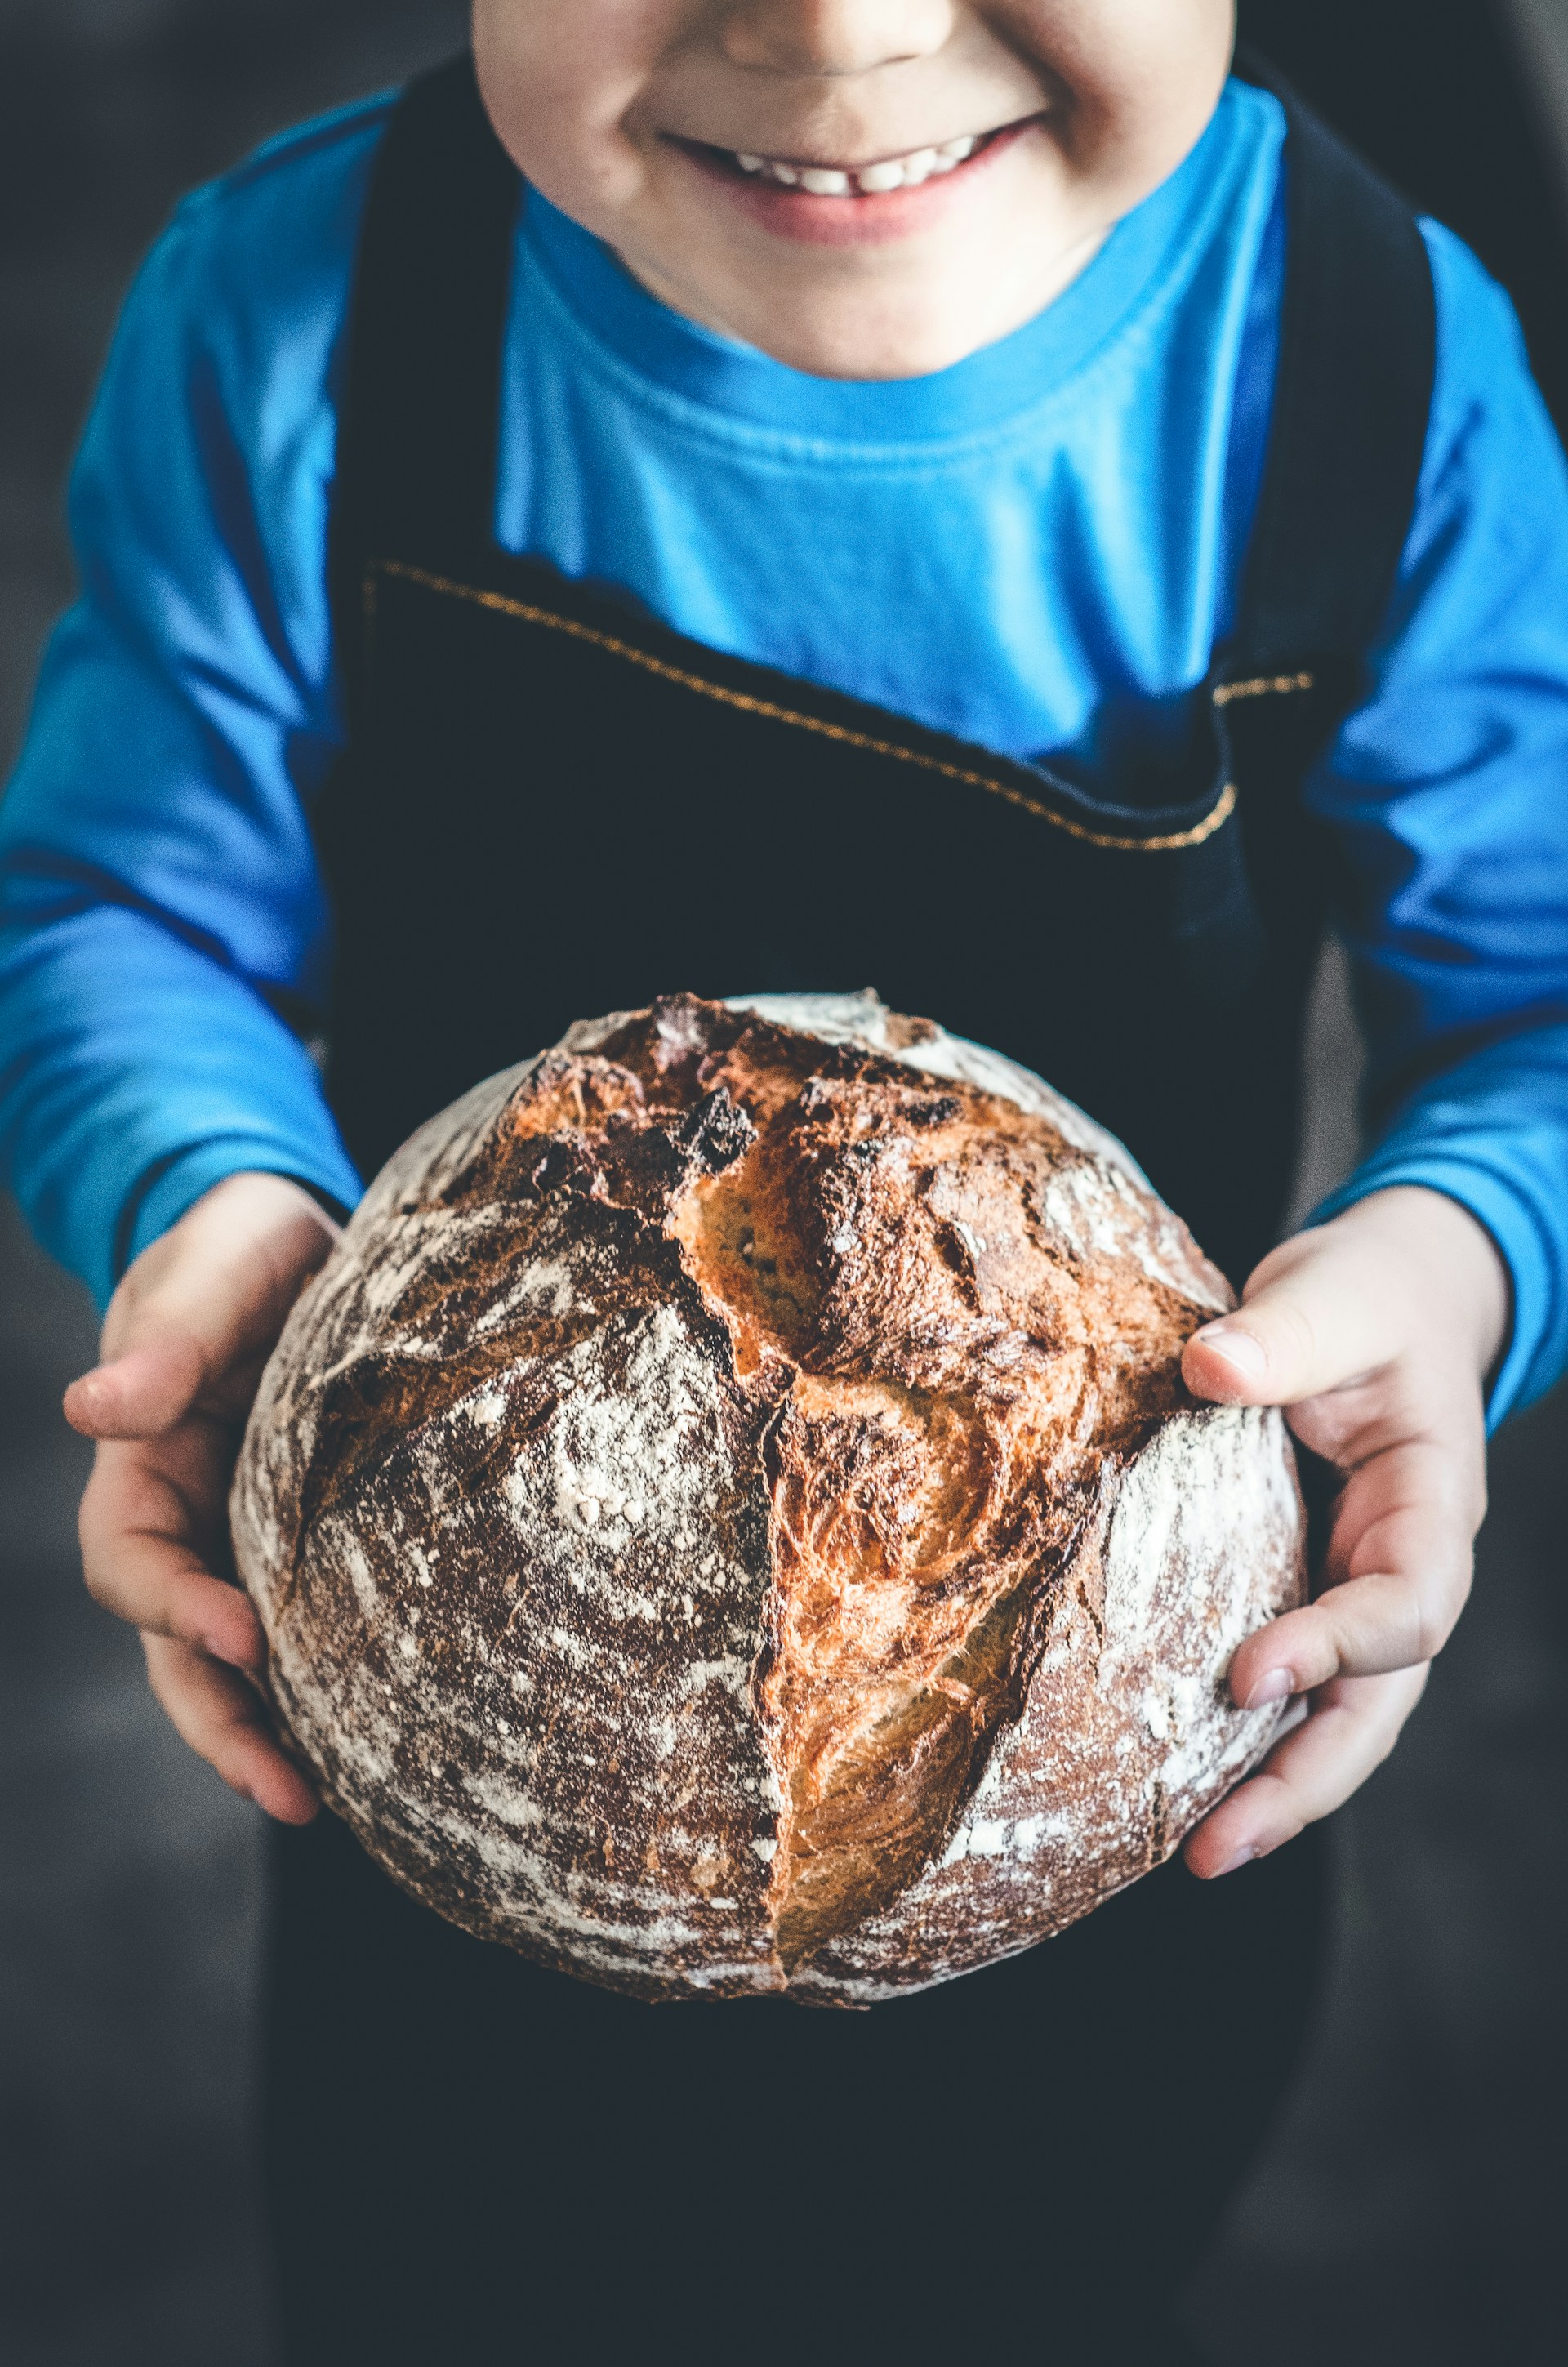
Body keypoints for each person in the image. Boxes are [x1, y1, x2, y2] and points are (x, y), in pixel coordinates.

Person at [2, 2, 1565, 2357]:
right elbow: (117, 909)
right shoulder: (302, 316)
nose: (841, 21)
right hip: (470, 1754)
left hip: (1117, 1778)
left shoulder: (1375, 370)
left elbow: (1542, 996)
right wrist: (205, 1201)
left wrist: (1462, 1260)